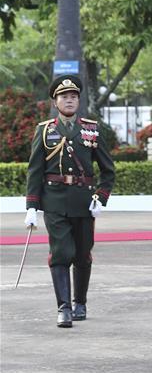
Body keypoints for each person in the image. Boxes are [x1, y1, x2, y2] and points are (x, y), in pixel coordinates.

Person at [25, 75, 115, 327]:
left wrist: (100, 197)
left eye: (74, 97)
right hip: (53, 201)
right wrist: (32, 205)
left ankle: (80, 302)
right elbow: (35, 170)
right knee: (62, 252)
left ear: (79, 101)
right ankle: (63, 307)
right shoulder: (44, 131)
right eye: (64, 97)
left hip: (83, 202)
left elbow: (108, 170)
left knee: (83, 254)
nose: (69, 100)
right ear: (55, 102)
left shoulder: (91, 129)